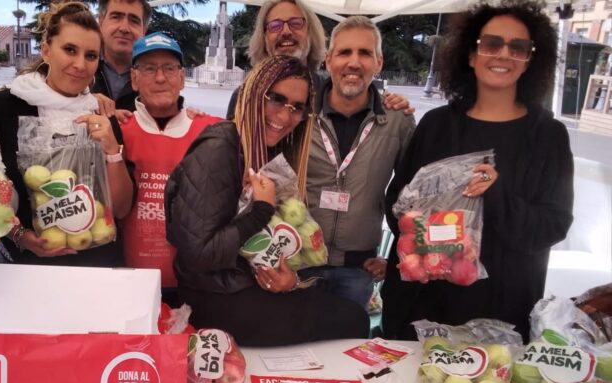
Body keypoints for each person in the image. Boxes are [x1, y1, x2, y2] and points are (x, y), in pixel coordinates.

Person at [381, 0, 574, 341]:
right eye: (491, 44)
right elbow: (397, 202)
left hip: (499, 311)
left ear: (530, 60)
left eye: (518, 47)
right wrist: (428, 243)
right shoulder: (437, 125)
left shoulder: (547, 136)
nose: (503, 54)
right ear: (471, 55)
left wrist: (496, 194)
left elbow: (552, 226)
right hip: (422, 304)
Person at [165, 55, 370, 346]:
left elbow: (257, 243)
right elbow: (198, 255)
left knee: (348, 314)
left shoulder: (261, 150)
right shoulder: (219, 149)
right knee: (354, 319)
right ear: (251, 94)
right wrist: (260, 210)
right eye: (276, 99)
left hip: (241, 288)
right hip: (216, 300)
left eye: (297, 108)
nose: (285, 117)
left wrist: (290, 280)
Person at [0, 1, 133, 267]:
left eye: (91, 55)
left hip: (98, 265)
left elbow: (120, 208)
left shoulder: (101, 115)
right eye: (69, 50)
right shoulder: (3, 108)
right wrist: (20, 236)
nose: (80, 64)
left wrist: (111, 150)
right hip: (26, 266)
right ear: (47, 51)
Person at [301, 17, 416, 311]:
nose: (354, 62)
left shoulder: (397, 120)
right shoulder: (301, 114)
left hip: (357, 269)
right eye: (344, 53)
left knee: (348, 349)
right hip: (299, 262)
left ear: (378, 62)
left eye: (364, 53)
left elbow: (411, 197)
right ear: (328, 60)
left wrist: (395, 257)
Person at [120, 32, 221, 305]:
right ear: (134, 78)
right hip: (129, 281)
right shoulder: (116, 129)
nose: (161, 78)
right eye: (150, 69)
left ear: (182, 78)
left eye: (169, 68)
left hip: (192, 284)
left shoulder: (210, 129)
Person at [225, 0, 325, 119]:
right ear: (264, 37)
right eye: (275, 26)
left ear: (310, 32)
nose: (286, 31)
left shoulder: (328, 93)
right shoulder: (245, 95)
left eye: (296, 23)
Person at [92, 0, 151, 112]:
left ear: (144, 31)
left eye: (134, 20)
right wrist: (85, 102)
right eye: (116, 17)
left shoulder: (155, 77)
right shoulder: (79, 63)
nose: (124, 28)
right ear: (100, 22)